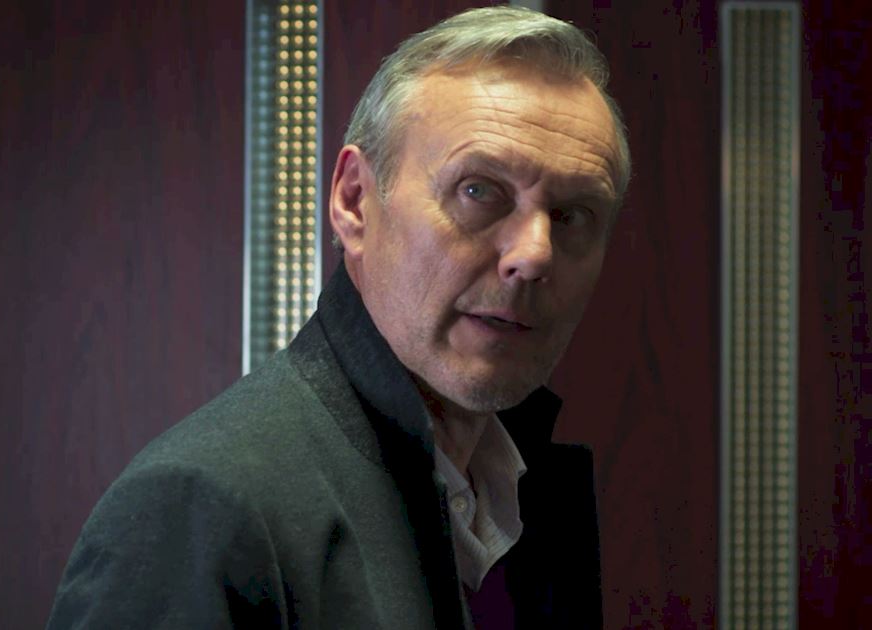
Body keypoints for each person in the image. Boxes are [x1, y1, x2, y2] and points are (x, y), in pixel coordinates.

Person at [47, 6, 630, 628]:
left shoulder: (531, 495)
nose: (535, 255)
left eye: (573, 215)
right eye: (478, 190)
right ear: (354, 202)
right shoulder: (200, 510)